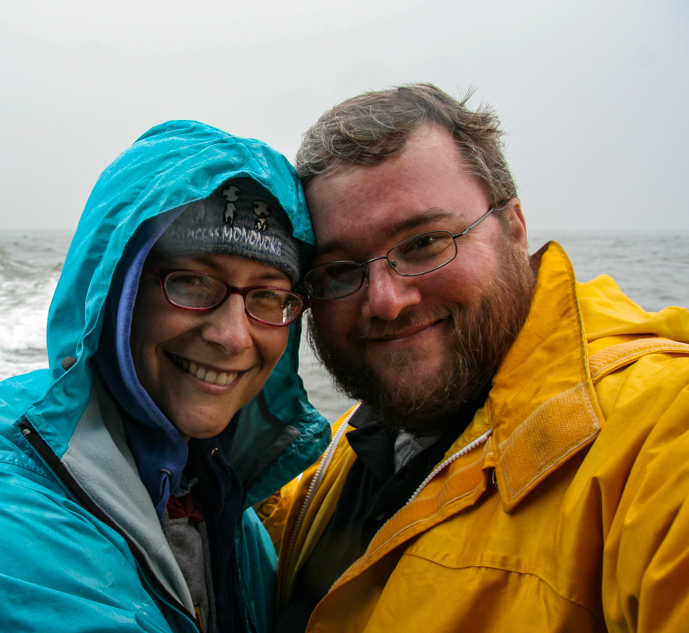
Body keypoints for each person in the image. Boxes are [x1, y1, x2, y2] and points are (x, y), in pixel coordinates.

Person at [0, 120, 330, 632]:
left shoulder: (215, 489)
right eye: (192, 282)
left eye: (269, 296)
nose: (233, 337)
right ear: (117, 291)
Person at [261, 83, 689, 632]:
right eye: (339, 270)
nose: (386, 302)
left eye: (423, 243)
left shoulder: (656, 431)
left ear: (514, 227)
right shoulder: (337, 454)